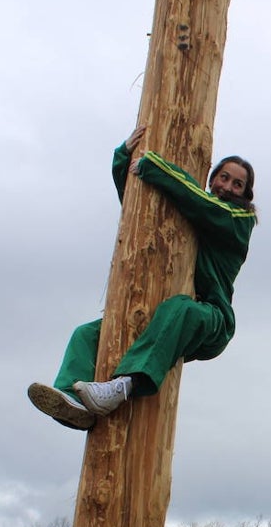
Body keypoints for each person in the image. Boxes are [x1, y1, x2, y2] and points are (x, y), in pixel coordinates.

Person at [27, 126, 258, 430]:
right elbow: (141, 205)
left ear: (245, 194)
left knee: (182, 308)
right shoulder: (190, 211)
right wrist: (124, 158)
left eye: (237, 184)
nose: (227, 186)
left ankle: (124, 386)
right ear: (212, 178)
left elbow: (200, 201)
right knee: (87, 333)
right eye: (223, 177)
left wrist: (154, 165)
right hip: (158, 318)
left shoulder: (238, 220)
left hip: (211, 319)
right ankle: (73, 402)